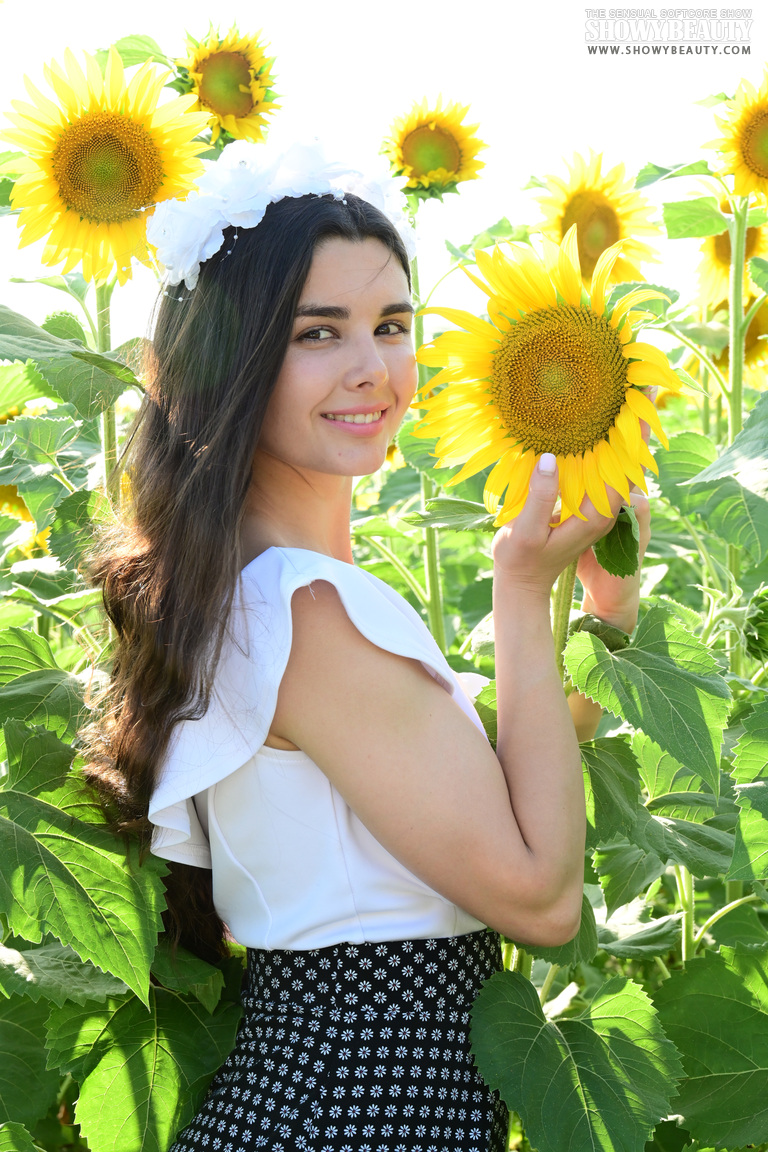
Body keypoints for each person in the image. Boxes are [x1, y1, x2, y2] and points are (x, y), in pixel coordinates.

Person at [85, 142, 649, 1152]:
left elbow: (493, 800)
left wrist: (599, 621)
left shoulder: (264, 594)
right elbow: (540, 895)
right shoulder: (305, 610)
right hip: (360, 1113)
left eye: (392, 325)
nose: (372, 368)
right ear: (238, 358)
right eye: (318, 333)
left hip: (329, 1104)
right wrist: (519, 595)